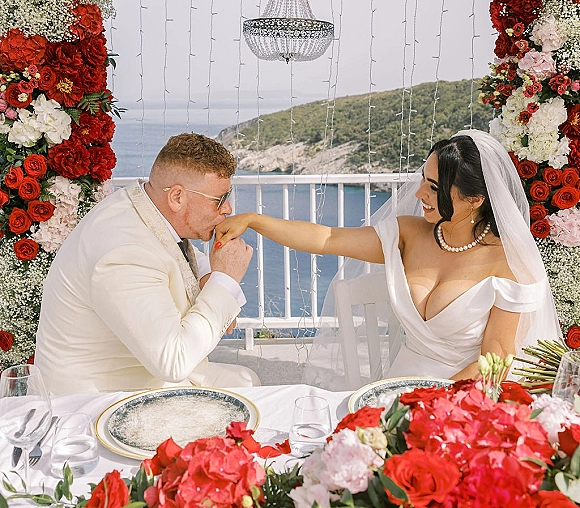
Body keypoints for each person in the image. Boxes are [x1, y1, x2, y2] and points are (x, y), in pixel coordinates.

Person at [214, 129, 562, 383]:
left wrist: (437, 404)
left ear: (475, 200)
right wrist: (254, 220)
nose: (421, 193)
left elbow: (496, 358)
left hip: (465, 392)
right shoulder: (408, 234)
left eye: (435, 188)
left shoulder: (509, 264)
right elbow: (327, 237)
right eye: (423, 179)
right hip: (400, 384)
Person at [35, 133, 258, 395]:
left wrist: (211, 275)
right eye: (219, 199)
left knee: (247, 379)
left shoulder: (142, 204)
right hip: (97, 399)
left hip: (140, 372)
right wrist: (225, 280)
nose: (228, 209)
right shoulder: (124, 253)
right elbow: (173, 363)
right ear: (177, 197)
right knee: (247, 390)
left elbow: (175, 252)